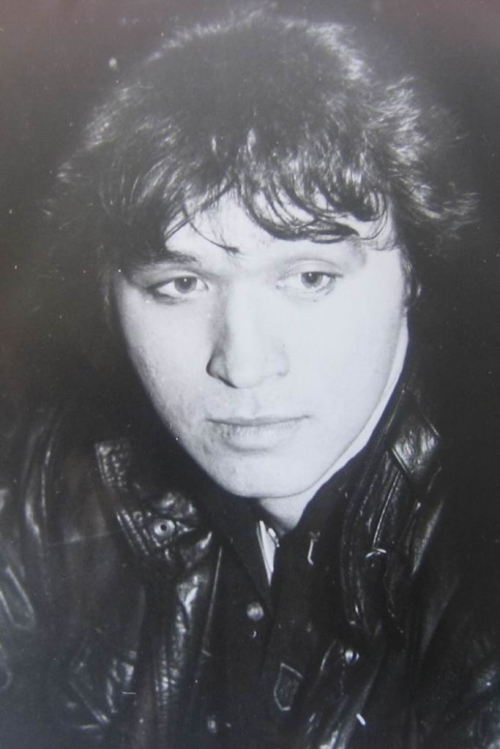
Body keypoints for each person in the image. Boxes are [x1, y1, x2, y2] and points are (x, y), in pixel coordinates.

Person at [1, 6, 500, 749]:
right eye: (180, 284)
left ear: (412, 274)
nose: (241, 363)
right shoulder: (56, 486)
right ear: (107, 296)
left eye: (308, 277)